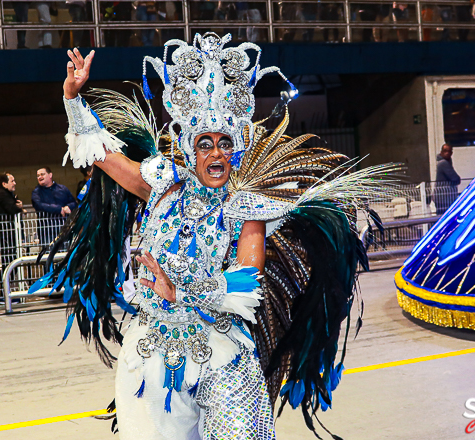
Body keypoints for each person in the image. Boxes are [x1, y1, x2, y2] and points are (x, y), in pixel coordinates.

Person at [35, 35, 395, 439]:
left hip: (219, 349)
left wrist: (181, 291)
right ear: (189, 149)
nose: (216, 154)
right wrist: (72, 97)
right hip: (149, 350)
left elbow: (245, 281)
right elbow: (101, 154)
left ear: (236, 148)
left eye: (225, 143)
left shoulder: (246, 210)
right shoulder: (163, 186)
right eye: (204, 144)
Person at [32, 167, 76, 248]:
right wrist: (59, 209)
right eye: (38, 176)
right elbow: (39, 205)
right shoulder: (36, 192)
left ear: (50, 175)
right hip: (46, 231)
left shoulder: (62, 189)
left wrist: (69, 207)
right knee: (49, 254)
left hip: (64, 228)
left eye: (42, 174)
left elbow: (74, 202)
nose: (40, 177)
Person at [0, 172, 25, 271]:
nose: (15, 183)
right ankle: (4, 284)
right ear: (4, 184)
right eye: (12, 181)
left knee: (11, 260)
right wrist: (20, 208)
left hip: (8, 233)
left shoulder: (8, 194)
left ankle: (6, 283)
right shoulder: (1, 194)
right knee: (9, 260)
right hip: (4, 234)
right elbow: (12, 208)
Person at [433, 143, 461, 215]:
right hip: (444, 198)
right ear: (441, 152)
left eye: (449, 151)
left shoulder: (444, 162)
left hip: (443, 197)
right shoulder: (443, 163)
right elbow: (455, 178)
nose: (447, 153)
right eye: (445, 151)